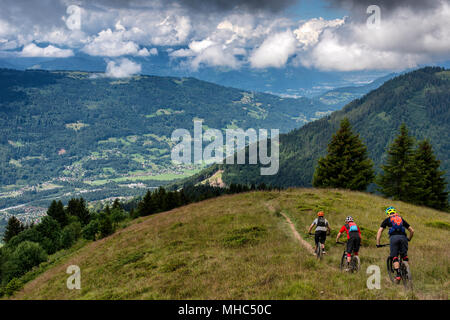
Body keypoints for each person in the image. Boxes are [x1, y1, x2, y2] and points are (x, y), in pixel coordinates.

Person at [376, 206, 414, 283]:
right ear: (395, 212)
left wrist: (378, 243)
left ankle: (398, 275)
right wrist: (409, 239)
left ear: (387, 214)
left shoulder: (387, 220)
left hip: (394, 238)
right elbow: (412, 230)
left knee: (394, 256)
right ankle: (407, 272)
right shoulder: (401, 219)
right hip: (403, 238)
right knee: (404, 255)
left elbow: (379, 231)